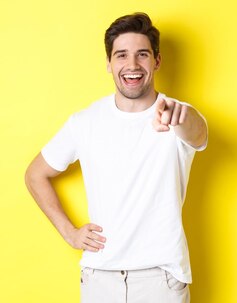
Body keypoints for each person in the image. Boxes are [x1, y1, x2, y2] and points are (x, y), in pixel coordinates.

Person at [24, 12, 207, 303]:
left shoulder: (177, 114)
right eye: (121, 55)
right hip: (100, 279)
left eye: (142, 55)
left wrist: (178, 117)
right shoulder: (84, 122)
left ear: (156, 61)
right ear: (109, 64)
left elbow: (198, 134)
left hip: (161, 280)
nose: (132, 65)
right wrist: (69, 232)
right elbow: (35, 174)